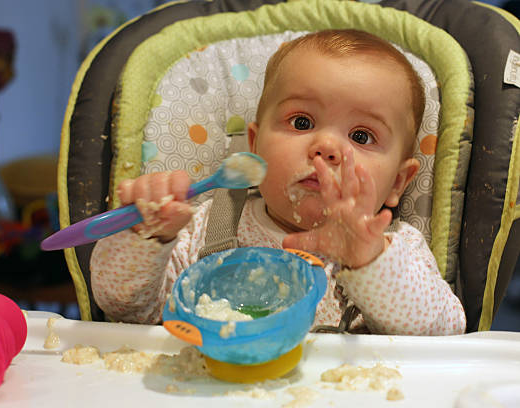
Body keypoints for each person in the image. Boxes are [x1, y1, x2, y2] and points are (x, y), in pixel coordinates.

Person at [90, 29, 466, 335]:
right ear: (254, 147)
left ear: (398, 183)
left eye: (362, 136)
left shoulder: (397, 249)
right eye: (302, 122)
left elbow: (443, 330)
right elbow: (126, 308)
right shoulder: (205, 228)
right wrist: (147, 236)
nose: (327, 147)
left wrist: (369, 261)